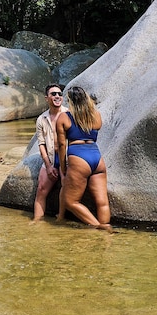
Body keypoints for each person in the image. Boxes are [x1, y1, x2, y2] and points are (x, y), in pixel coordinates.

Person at [56, 86, 111, 229]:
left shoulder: (64, 117)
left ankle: (98, 226)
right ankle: (106, 226)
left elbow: (62, 145)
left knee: (70, 201)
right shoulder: (96, 115)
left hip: (79, 158)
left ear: (70, 101)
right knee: (102, 201)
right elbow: (94, 129)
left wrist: (63, 167)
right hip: (96, 157)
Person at [32, 84, 66, 220]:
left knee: (67, 187)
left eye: (59, 94)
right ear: (47, 98)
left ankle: (61, 218)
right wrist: (48, 165)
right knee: (41, 189)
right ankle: (37, 221)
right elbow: (41, 144)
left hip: (67, 157)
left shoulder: (69, 114)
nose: (57, 96)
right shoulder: (41, 119)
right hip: (51, 157)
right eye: (53, 94)